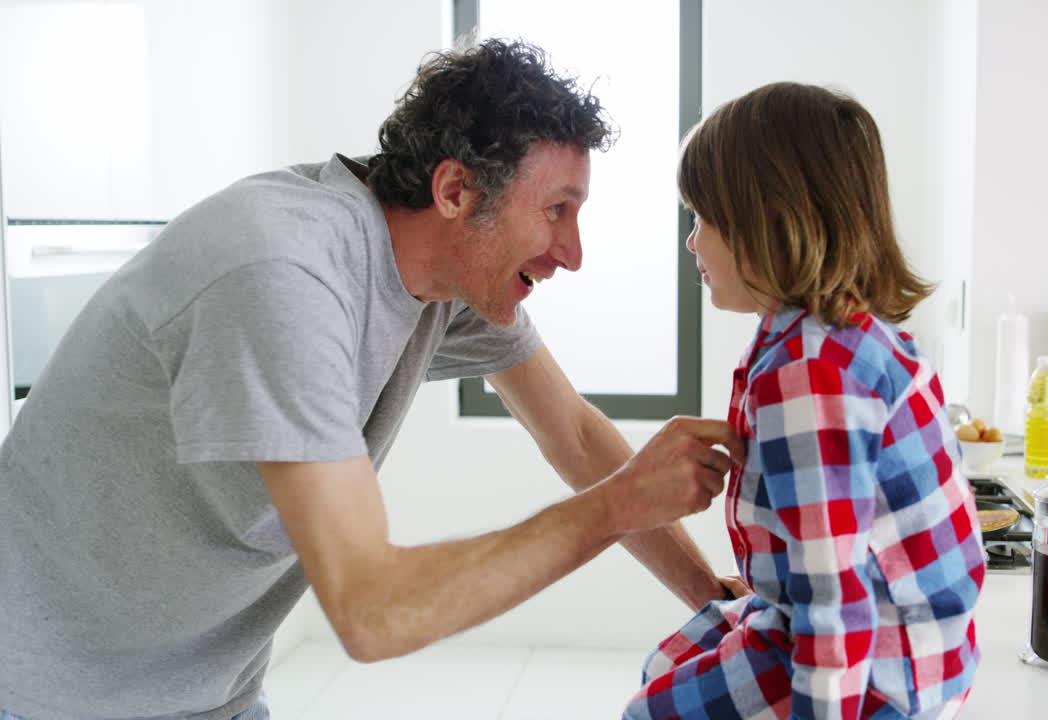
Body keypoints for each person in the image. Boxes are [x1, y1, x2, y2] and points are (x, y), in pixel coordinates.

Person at [0, 39, 745, 720]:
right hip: (44, 693)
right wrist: (616, 506)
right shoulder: (283, 272)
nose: (572, 253)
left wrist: (713, 604)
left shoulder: (452, 283)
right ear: (455, 192)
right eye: (557, 210)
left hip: (207, 694)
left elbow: (575, 434)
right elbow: (371, 610)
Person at [624, 82, 985, 720]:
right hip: (923, 645)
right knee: (669, 664)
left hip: (880, 668)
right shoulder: (843, 336)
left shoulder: (809, 375)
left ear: (767, 217)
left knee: (650, 711)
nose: (692, 243)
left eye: (701, 218)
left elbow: (832, 597)